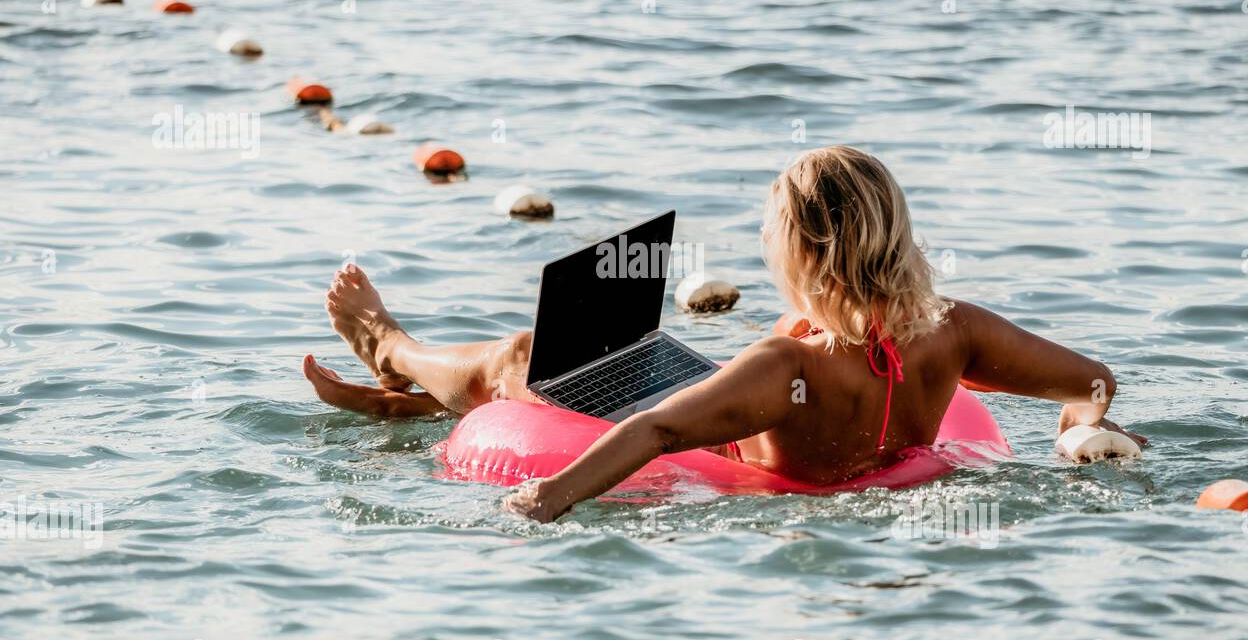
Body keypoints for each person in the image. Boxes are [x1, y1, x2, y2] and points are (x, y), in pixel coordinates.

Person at [304, 144, 1146, 522]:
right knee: (585, 342)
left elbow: (664, 427)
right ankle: (402, 404)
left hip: (728, 439)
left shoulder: (788, 363)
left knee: (527, 358)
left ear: (806, 250)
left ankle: (391, 351)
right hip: (834, 447)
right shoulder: (954, 333)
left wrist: (553, 493)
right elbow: (1093, 379)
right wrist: (1082, 433)